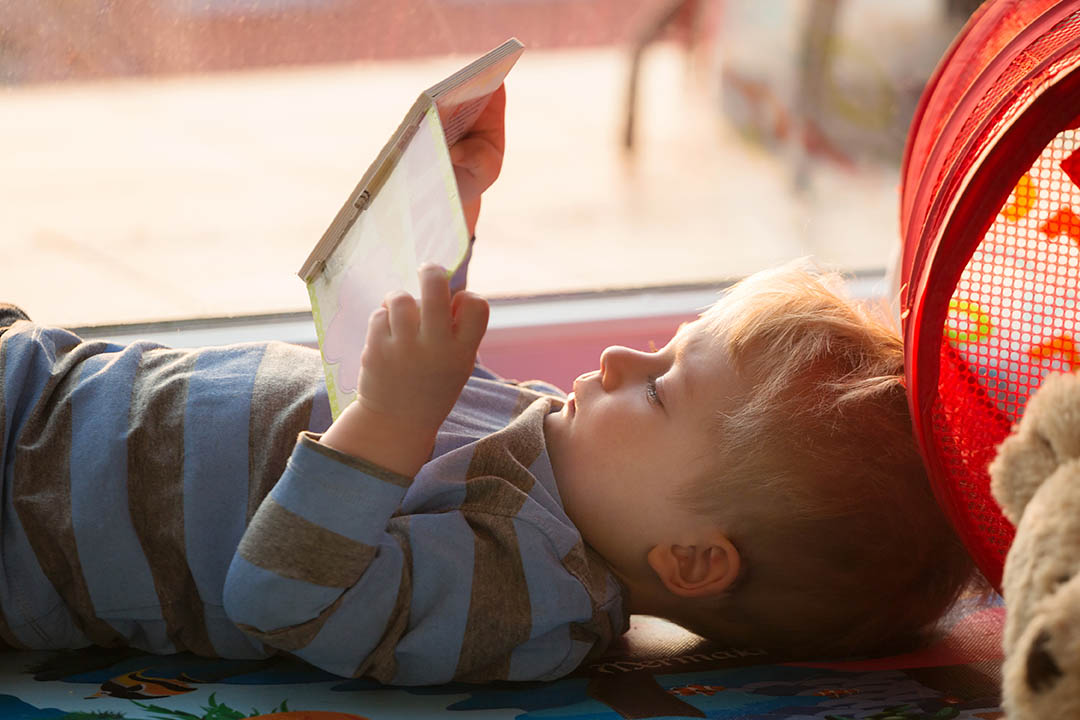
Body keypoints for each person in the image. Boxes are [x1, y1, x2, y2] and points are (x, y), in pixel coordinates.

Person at [0, 85, 975, 685]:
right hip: (46, 385)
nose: (621, 364)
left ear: (691, 560)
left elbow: (280, 595)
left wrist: (391, 417)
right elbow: (401, 364)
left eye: (663, 391)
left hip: (24, 515)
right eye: (666, 351)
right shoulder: (552, 453)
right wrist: (442, 221)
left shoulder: (522, 598)